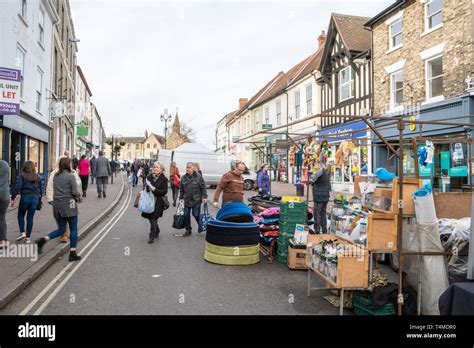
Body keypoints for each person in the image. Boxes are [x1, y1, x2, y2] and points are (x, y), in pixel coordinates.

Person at [35, 158, 82, 262]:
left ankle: (44, 239)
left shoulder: (56, 176)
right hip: (69, 204)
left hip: (57, 205)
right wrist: (78, 196)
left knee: (61, 229)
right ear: (68, 165)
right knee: (73, 229)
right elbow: (74, 192)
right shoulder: (71, 176)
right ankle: (72, 253)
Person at [47, 153, 82, 243]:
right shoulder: (55, 173)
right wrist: (50, 198)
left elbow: (78, 182)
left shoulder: (71, 172)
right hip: (67, 201)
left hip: (59, 201)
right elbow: (50, 186)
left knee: (63, 221)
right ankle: (66, 237)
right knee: (71, 223)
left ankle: (61, 235)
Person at [10, 161, 44, 243]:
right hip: (35, 199)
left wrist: (13, 198)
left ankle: (22, 232)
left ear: (24, 167)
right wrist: (39, 200)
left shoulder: (22, 176)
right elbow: (41, 191)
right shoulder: (37, 177)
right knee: (30, 217)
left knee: (20, 215)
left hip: (25, 197)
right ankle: (28, 238)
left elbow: (17, 187)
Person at [177, 162, 207, 237]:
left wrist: (205, 197)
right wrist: (180, 199)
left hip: (196, 200)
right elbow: (181, 189)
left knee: (196, 214)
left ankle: (201, 226)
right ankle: (188, 229)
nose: (187, 169)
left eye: (189, 167)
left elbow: (203, 187)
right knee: (186, 215)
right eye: (187, 167)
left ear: (193, 168)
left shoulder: (199, 177)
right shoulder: (183, 178)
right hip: (186, 200)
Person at [141, 162, 168, 244]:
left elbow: (164, 191)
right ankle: (157, 230)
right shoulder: (149, 177)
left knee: (153, 218)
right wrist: (147, 189)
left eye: (157, 167)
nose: (155, 168)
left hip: (158, 201)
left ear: (161, 169)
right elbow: (146, 187)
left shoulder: (164, 179)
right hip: (149, 200)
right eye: (154, 167)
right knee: (150, 218)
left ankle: (151, 236)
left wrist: (154, 190)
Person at [309, 162, 331, 234]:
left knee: (317, 214)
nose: (316, 166)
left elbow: (313, 177)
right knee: (323, 214)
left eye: (317, 165)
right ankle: (324, 230)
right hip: (325, 197)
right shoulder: (327, 173)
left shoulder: (320, 171)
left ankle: (317, 231)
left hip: (319, 197)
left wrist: (311, 181)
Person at [0, 161, 10, 249]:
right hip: (5, 195)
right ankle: (3, 239)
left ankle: (2, 240)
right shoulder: (5, 164)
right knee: (2, 217)